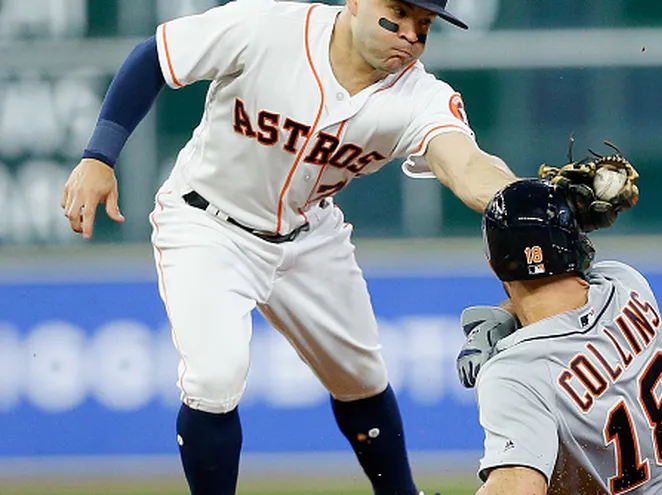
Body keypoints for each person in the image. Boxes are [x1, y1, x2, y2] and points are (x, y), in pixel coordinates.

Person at [60, 1, 522, 494]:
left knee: (361, 377)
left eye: (424, 26)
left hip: (309, 234)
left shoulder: (419, 96)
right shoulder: (269, 29)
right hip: (206, 223)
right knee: (214, 379)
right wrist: (98, 157)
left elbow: (467, 166)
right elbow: (156, 56)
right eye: (398, 15)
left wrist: (531, 200)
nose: (410, 34)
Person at [456, 179, 662, 495]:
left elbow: (519, 485)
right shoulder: (626, 286)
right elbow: (557, 293)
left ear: (494, 263)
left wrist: (500, 321)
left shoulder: (515, 373)